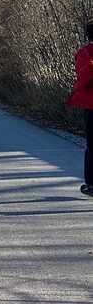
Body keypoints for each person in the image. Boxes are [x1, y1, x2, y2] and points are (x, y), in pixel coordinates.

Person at [67, 20, 93, 197]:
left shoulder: (85, 53)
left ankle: (91, 184)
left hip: (91, 105)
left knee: (92, 144)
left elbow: (83, 77)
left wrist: (74, 91)